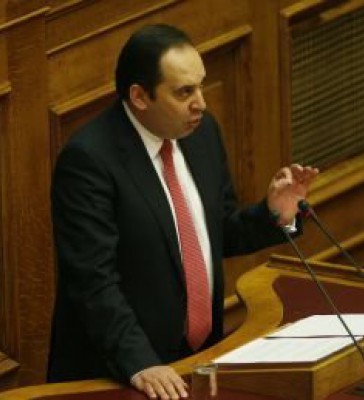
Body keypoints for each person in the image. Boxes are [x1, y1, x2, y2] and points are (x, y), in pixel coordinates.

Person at [47, 24, 319, 399]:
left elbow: (216, 231)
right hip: (121, 374)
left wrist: (274, 214)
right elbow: (92, 280)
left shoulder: (201, 134)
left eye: (200, 86)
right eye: (184, 92)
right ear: (139, 97)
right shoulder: (89, 161)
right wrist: (140, 362)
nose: (201, 103)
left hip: (198, 361)